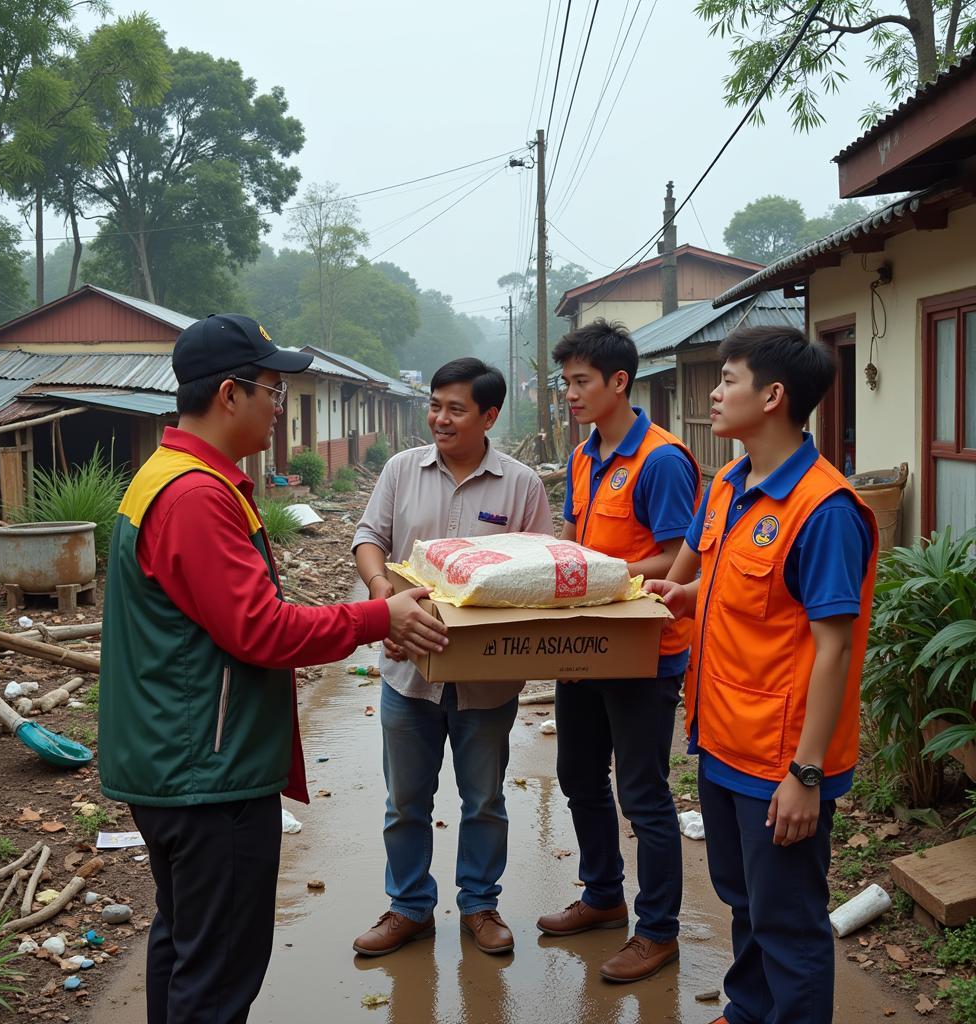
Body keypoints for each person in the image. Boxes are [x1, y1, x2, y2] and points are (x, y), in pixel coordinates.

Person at [99, 313, 447, 1024]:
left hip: (177, 760)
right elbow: (260, 630)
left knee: (185, 947)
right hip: (206, 773)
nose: (279, 406)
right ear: (231, 394)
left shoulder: (172, 476)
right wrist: (380, 617)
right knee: (218, 974)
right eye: (274, 390)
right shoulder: (195, 496)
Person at [646, 325, 878, 1024]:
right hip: (722, 740)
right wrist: (685, 596)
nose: (713, 394)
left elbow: (832, 649)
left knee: (786, 919)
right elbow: (733, 588)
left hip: (782, 756)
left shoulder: (824, 509)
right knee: (745, 898)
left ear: (773, 396)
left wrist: (806, 775)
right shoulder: (728, 483)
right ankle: (748, 1010)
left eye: (727, 380)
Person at [351, 357, 554, 958]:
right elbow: (370, 539)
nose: (440, 418)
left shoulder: (522, 486)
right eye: (435, 405)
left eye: (455, 409)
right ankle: (409, 908)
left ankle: (479, 906)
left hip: (487, 681)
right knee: (405, 801)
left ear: (489, 415)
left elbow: (541, 570)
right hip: (406, 672)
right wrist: (381, 594)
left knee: (484, 800)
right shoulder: (400, 470)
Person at [536, 318, 700, 984]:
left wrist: (604, 574)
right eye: (565, 382)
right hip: (587, 644)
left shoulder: (661, 459)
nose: (569, 394)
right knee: (578, 774)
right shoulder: (583, 456)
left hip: (643, 650)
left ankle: (657, 931)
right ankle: (603, 896)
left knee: (642, 792)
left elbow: (679, 557)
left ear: (618, 381)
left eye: (580, 382)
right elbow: (574, 538)